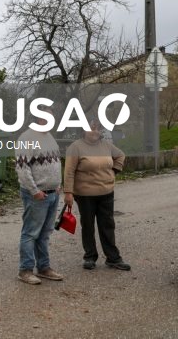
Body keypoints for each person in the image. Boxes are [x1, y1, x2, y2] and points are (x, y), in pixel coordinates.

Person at [63, 119, 130, 271]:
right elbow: (69, 172)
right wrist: (68, 193)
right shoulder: (76, 147)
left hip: (106, 192)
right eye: (92, 128)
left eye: (98, 129)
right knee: (88, 226)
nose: (95, 131)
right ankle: (90, 257)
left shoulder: (106, 145)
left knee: (107, 225)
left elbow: (121, 155)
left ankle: (113, 258)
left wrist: (114, 171)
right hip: (85, 194)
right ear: (84, 130)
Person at [14, 118, 64, 284]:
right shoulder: (26, 139)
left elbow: (55, 162)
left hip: (52, 194)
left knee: (44, 233)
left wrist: (58, 185)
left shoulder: (49, 137)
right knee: (30, 233)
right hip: (36, 195)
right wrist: (34, 191)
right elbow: (22, 168)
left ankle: (44, 267)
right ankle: (25, 270)